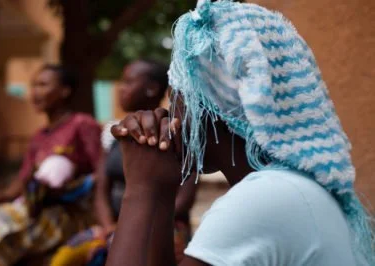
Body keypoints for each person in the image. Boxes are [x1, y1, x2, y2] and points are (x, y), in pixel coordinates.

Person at [106, 1, 375, 266]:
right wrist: (159, 192)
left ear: (206, 102)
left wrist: (142, 189)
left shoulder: (266, 198)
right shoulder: (293, 188)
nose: (168, 112)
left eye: (175, 93)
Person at [51, 59, 196, 266]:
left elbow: (183, 202)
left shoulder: (174, 133)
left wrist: (131, 227)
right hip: (114, 226)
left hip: (164, 226)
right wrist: (110, 225)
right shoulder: (114, 133)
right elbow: (101, 189)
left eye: (128, 82)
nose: (121, 88)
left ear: (152, 88)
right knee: (64, 258)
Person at [0, 64, 102, 266]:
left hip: (66, 213)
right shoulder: (39, 137)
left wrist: (77, 191)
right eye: (33, 86)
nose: (35, 92)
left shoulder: (81, 124)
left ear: (65, 91)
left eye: (43, 85)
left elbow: (102, 171)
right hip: (36, 210)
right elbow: (22, 180)